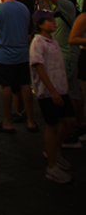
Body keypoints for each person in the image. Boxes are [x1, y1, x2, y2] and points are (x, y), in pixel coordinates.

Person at [34, 0, 82, 146]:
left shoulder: (67, 5)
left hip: (68, 56)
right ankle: (76, 126)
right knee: (72, 93)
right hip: (62, 56)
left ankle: (73, 130)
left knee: (69, 94)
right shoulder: (59, 5)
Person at [30, 10, 75, 183]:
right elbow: (38, 67)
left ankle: (54, 151)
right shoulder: (38, 42)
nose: (53, 23)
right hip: (48, 92)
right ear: (40, 25)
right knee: (52, 126)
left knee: (70, 121)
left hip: (61, 89)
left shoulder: (53, 41)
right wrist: (53, 91)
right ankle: (52, 166)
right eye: (49, 21)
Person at [0, 0, 37, 134]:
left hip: (4, 54)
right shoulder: (23, 8)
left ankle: (7, 122)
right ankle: (30, 121)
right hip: (22, 52)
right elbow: (28, 27)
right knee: (25, 85)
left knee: (6, 87)